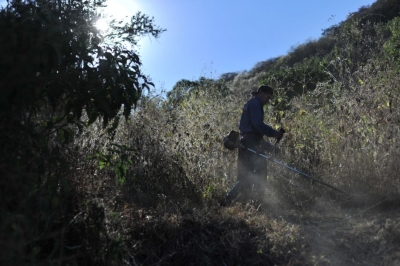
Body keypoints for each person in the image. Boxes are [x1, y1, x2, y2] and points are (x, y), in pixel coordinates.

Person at [224, 85, 283, 204]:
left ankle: (242, 201)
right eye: (268, 97)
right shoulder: (255, 104)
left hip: (249, 140)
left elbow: (256, 133)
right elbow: (258, 126)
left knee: (248, 174)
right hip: (250, 142)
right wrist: (274, 133)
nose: (268, 101)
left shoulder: (253, 104)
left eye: (270, 99)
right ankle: (251, 202)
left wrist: (271, 148)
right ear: (260, 93)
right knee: (257, 173)